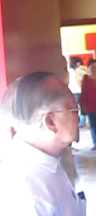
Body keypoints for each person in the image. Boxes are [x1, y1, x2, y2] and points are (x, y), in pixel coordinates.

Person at [0, 72, 86, 215]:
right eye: (74, 110)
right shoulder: (26, 195)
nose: (79, 117)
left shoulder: (52, 158)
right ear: (50, 122)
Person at [67, 57, 87, 128]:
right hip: (80, 91)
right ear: (77, 63)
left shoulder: (69, 71)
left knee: (74, 108)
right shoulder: (80, 70)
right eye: (79, 62)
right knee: (83, 108)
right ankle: (82, 122)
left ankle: (77, 122)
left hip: (72, 92)